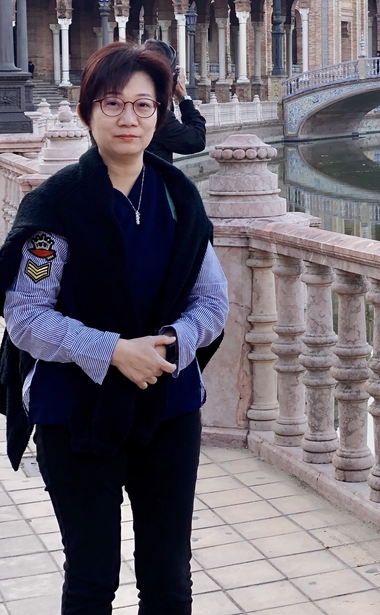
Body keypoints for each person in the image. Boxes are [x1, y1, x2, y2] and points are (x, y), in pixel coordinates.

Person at [0, 42, 229, 615]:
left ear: (159, 115)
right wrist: (112, 351)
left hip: (168, 408)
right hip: (76, 415)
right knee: (91, 579)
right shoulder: (53, 211)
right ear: (87, 112)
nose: (129, 118)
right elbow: (26, 316)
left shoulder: (179, 200)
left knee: (169, 580)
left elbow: (211, 303)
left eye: (144, 106)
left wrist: (174, 342)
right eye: (113, 103)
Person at [143, 39, 206, 164]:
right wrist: (183, 96)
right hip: (152, 181)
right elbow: (197, 140)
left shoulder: (123, 105)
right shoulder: (155, 114)